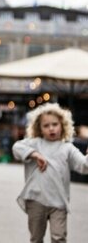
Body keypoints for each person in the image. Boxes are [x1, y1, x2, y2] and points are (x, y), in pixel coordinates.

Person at [12, 103, 88, 243]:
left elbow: (83, 166)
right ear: (39, 128)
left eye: (55, 124)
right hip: (36, 200)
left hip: (58, 203)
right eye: (46, 126)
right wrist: (34, 154)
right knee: (36, 238)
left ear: (63, 125)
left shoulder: (67, 148)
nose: (51, 128)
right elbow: (17, 147)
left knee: (59, 238)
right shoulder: (35, 143)